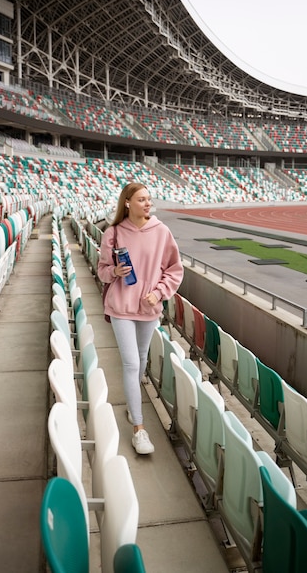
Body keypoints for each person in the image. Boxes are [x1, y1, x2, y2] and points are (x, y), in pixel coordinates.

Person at [98, 182, 184, 454]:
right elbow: (102, 270)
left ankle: (132, 405)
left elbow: (175, 270)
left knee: (142, 358)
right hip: (121, 306)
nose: (148, 203)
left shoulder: (162, 232)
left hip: (149, 308)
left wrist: (158, 294)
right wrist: (114, 273)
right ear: (127, 202)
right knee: (131, 363)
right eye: (141, 199)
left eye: (149, 199)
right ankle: (139, 428)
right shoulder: (113, 232)